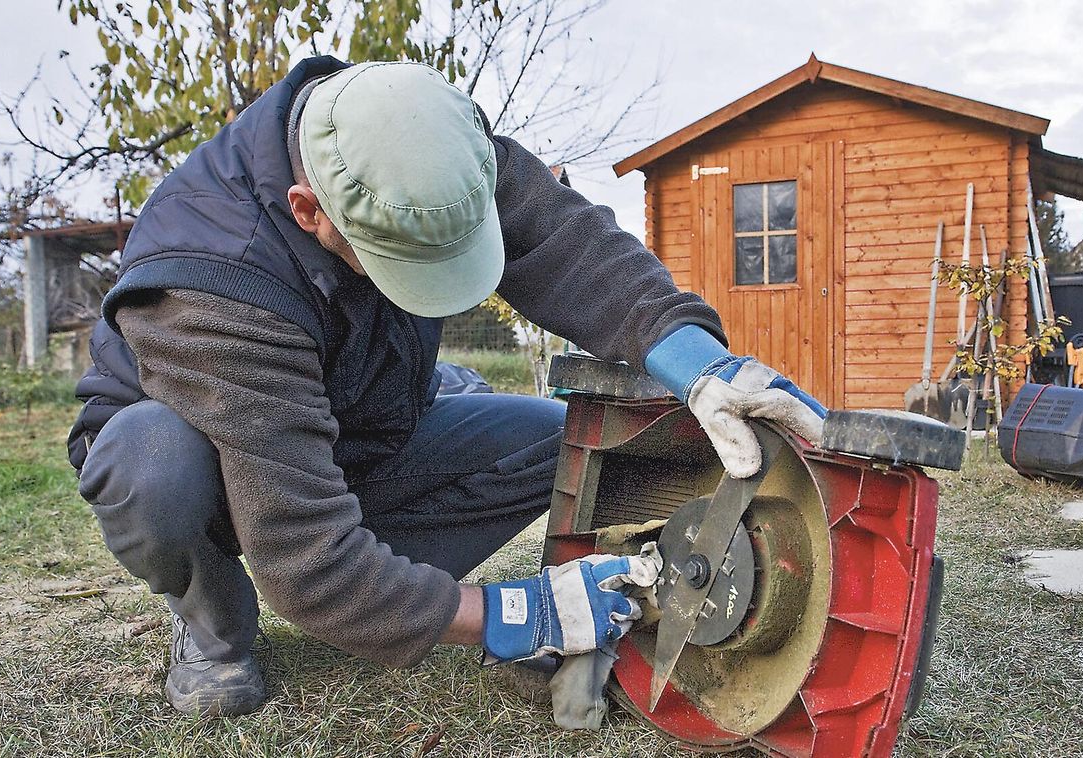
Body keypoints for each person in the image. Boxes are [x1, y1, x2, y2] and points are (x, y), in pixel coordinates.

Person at [67, 58, 826, 718]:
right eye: (397, 264)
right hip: (223, 466)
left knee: (560, 441)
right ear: (309, 212)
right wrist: (514, 615)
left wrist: (694, 360)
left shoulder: (432, 147)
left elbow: (565, 244)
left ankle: (387, 592)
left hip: (364, 422)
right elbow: (308, 562)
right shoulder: (214, 285)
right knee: (153, 465)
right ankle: (213, 628)